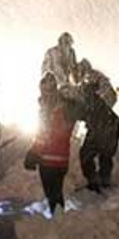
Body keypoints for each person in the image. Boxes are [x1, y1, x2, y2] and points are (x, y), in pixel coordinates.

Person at [29, 73, 78, 215]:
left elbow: (45, 134)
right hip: (62, 160)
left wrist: (33, 152)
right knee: (56, 193)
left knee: (52, 195)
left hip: (48, 160)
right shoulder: (65, 108)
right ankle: (59, 221)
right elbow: (62, 133)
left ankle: (57, 223)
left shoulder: (49, 110)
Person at [75, 73, 119, 192]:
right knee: (103, 155)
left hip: (106, 128)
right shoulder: (92, 99)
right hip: (108, 128)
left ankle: (96, 181)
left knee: (89, 153)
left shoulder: (94, 100)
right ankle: (101, 180)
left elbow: (84, 113)